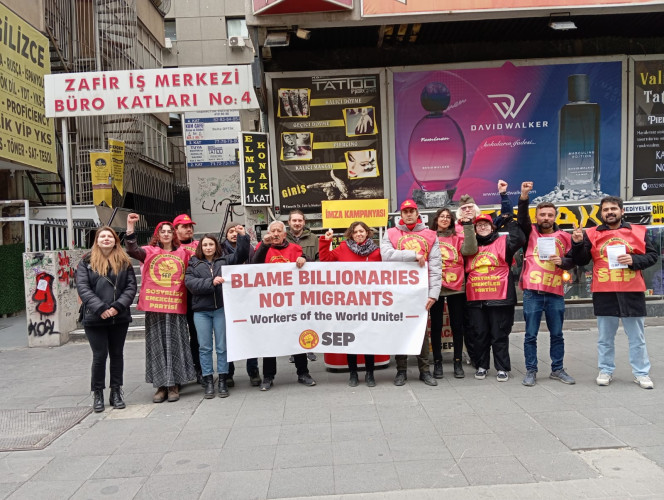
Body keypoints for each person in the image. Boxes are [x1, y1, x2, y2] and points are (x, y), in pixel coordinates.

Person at [571, 195, 657, 389]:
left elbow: (652, 256)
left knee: (637, 338)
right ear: (601, 213)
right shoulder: (591, 233)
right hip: (604, 291)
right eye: (606, 210)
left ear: (621, 211)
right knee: (605, 338)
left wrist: (634, 260)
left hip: (632, 290)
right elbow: (581, 260)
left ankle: (641, 373)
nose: (609, 212)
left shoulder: (638, 231)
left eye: (613, 209)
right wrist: (577, 243)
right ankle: (605, 370)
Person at [125, 214, 196, 403]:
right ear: (157, 235)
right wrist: (130, 226)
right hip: (155, 307)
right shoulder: (149, 251)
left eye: (169, 231)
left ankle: (174, 385)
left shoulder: (184, 253)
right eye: (162, 232)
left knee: (176, 343)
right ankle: (161, 385)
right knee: (157, 344)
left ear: (174, 234)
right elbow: (132, 249)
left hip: (175, 306)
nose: (165, 234)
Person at [465, 180, 525, 382]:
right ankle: (482, 365)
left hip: (500, 299)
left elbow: (518, 237)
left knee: (499, 334)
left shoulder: (504, 242)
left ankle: (502, 367)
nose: (482, 227)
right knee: (480, 334)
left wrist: (505, 200)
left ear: (492, 227)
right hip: (476, 300)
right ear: (475, 229)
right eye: (479, 225)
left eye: (486, 224)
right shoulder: (469, 248)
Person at [518, 181, 576, 387]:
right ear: (536, 217)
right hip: (532, 292)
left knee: (557, 334)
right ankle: (531, 370)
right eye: (542, 214)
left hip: (555, 292)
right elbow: (522, 217)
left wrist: (564, 262)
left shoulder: (565, 237)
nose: (546, 218)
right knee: (530, 335)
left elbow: (574, 260)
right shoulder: (529, 233)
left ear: (555, 217)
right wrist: (524, 196)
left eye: (550, 215)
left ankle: (557, 369)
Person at [381, 199, 442, 387]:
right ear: (401, 215)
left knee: (422, 331)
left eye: (411, 211)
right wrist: (413, 255)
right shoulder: (391, 233)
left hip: (420, 292)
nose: (408, 214)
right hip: (398, 291)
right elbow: (386, 255)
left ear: (417, 214)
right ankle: (401, 370)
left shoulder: (430, 235)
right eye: (405, 211)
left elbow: (436, 266)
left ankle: (425, 371)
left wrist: (433, 294)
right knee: (400, 329)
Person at [77, 227, 137, 412]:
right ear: (96, 240)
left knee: (117, 354)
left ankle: (116, 392)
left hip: (119, 317)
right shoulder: (86, 261)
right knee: (99, 355)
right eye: (102, 236)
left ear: (115, 240)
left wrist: (117, 307)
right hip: (95, 317)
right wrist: (101, 308)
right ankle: (97, 393)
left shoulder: (124, 261)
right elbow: (83, 287)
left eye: (109, 236)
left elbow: (131, 287)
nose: (106, 239)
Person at [185, 231, 249, 398]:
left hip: (220, 309)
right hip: (201, 312)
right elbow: (191, 284)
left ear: (216, 246)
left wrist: (243, 237)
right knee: (204, 347)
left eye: (211, 244)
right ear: (200, 247)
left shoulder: (225, 260)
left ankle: (222, 380)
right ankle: (208, 380)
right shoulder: (193, 263)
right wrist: (211, 282)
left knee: (222, 347)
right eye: (205, 245)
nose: (208, 247)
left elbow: (242, 254)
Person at [253, 220, 315, 390]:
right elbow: (254, 265)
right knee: (270, 340)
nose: (275, 234)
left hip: (293, 302)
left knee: (297, 337)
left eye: (279, 231)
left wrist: (304, 258)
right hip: (270, 303)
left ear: (284, 234)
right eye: (272, 231)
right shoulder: (262, 247)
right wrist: (264, 246)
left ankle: (303, 373)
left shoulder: (295, 249)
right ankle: (268, 376)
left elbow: (310, 264)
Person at [319, 222, 382, 387]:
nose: (359, 234)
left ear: (367, 233)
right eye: (355, 232)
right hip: (348, 303)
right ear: (351, 234)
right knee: (351, 338)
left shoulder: (377, 252)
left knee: (368, 338)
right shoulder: (342, 248)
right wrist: (326, 241)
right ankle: (353, 373)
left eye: (361, 231)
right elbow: (325, 259)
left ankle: (370, 373)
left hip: (369, 303)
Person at [429, 207, 477, 379]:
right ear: (436, 219)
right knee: (436, 326)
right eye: (441, 216)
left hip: (456, 286)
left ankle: (457, 362)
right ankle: (437, 362)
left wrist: (468, 225)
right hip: (435, 287)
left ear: (451, 221)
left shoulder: (458, 236)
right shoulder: (429, 236)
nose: (444, 219)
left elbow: (470, 250)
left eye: (448, 217)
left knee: (457, 325)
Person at [221, 224, 260, 387]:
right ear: (226, 235)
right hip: (228, 299)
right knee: (228, 337)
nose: (234, 234)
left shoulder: (250, 249)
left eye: (237, 232)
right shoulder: (220, 250)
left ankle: (253, 370)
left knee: (250, 335)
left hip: (248, 296)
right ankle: (228, 373)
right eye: (231, 232)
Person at [173, 213, 203, 386]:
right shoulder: (168, 248)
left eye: (190, 226)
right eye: (184, 226)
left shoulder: (199, 246)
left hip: (194, 297)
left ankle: (199, 369)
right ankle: (177, 374)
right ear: (175, 230)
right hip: (174, 297)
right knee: (176, 336)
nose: (189, 229)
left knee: (196, 335)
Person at [285, 210, 317, 362]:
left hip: (307, 285)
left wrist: (307, 263)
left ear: (304, 222)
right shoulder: (283, 238)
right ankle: (294, 349)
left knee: (307, 317)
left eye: (300, 220)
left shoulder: (314, 238)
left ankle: (309, 347)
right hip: (288, 286)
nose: (297, 223)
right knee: (292, 318)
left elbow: (320, 260)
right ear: (289, 222)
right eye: (294, 220)